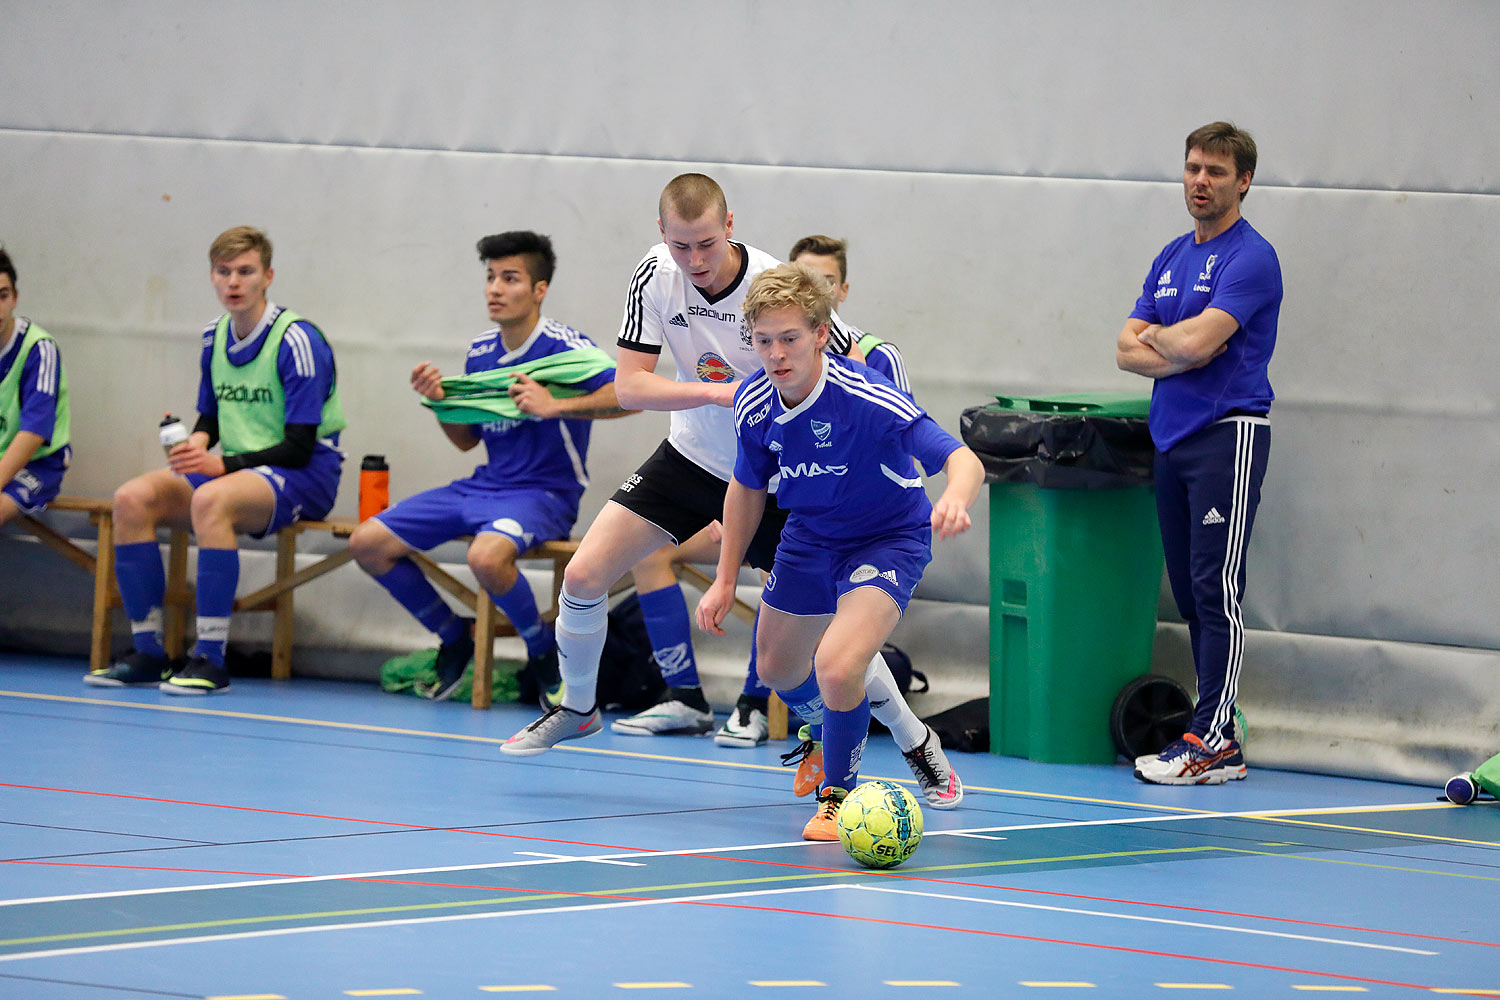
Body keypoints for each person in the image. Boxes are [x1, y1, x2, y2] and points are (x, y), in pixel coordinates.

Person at [500, 174, 898, 761]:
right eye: (682, 246)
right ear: (662, 234)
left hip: (771, 476)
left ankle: (908, 739)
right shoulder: (654, 274)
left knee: (835, 623)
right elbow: (630, 387)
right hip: (691, 456)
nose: (695, 260)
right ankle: (579, 708)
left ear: (730, 226)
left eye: (707, 244)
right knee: (583, 576)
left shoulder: (770, 283)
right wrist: (716, 396)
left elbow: (851, 362)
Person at [695, 262, 984, 839]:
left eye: (790, 339)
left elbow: (961, 457)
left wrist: (954, 495)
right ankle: (906, 733)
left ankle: (837, 795)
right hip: (809, 538)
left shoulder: (868, 396)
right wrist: (725, 579)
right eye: (764, 341)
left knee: (836, 664)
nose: (777, 354)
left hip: (888, 539)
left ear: (821, 334)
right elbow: (747, 488)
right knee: (778, 668)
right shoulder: (754, 404)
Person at [349, 231, 623, 701]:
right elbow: (466, 440)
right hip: (484, 485)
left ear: (539, 290)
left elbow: (628, 397)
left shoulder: (565, 346)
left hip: (545, 493)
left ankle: (541, 652)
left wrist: (554, 406)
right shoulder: (480, 351)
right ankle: (456, 638)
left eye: (510, 278)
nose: (495, 288)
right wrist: (439, 403)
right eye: (491, 277)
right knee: (366, 543)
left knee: (484, 556)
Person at [85, 226, 345, 694]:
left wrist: (221, 467)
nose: (234, 282)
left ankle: (210, 658)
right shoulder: (213, 336)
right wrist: (198, 444)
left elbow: (300, 445)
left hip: (305, 475)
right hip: (241, 470)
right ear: (211, 276)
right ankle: (147, 650)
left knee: (211, 502)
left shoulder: (297, 340)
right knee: (131, 498)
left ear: (267, 276)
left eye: (245, 272)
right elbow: (213, 415)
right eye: (224, 272)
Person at [1116, 122, 1281, 785]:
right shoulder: (1170, 256)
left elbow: (1193, 347)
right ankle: (1217, 734)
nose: (1200, 181)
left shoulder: (1252, 257)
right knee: (1188, 593)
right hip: (1173, 439)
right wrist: (1171, 341)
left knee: (1218, 590)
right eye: (1192, 168)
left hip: (1227, 435)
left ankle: (1212, 739)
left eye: (1215, 171)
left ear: (1243, 180)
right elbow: (1123, 348)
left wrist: (1165, 341)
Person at [0, 248, 71, 527]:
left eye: (3, 296)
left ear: (15, 298)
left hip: (37, 462)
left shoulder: (39, 349)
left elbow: (33, 433)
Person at [790, 235, 911, 395]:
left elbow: (901, 419)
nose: (815, 290)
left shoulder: (880, 356)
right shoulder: (771, 354)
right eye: (804, 281)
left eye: (827, 281)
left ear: (843, 290)